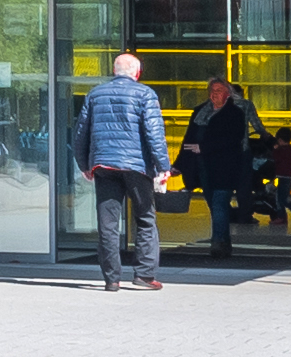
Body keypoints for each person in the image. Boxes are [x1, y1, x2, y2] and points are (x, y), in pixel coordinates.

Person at [76, 50, 169, 292]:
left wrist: (84, 164)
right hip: (136, 166)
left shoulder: (95, 94)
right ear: (137, 73)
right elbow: (154, 134)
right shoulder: (145, 94)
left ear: (114, 72)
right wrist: (163, 166)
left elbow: (81, 133)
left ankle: (112, 279)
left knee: (107, 225)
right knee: (145, 219)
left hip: (104, 166)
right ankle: (145, 275)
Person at [183, 80, 261, 257]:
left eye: (219, 90)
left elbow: (232, 139)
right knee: (215, 205)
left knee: (219, 202)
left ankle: (217, 242)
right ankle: (224, 240)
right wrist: (180, 164)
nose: (214, 93)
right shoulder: (199, 112)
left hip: (226, 167)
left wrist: (204, 147)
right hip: (204, 167)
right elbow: (189, 139)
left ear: (228, 94)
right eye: (212, 90)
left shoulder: (235, 113)